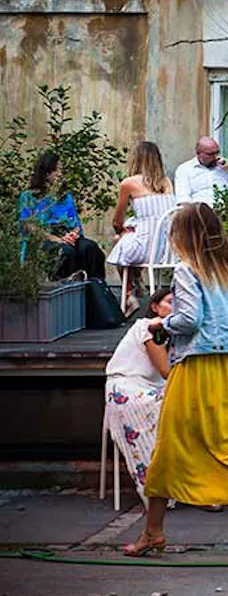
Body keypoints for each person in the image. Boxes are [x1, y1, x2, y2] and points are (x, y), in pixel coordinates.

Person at [125, 202, 228, 561]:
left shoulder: (187, 269)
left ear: (186, 236)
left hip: (196, 368)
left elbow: (189, 320)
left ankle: (153, 532)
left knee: (171, 447)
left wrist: (161, 324)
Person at [104, 287, 173, 505]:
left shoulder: (173, 335)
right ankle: (160, 487)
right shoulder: (147, 327)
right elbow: (166, 371)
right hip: (127, 386)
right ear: (155, 307)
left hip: (152, 387)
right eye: (170, 302)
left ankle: (182, 482)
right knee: (174, 407)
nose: (176, 308)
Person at [108, 141, 177, 315]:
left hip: (145, 249)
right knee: (129, 240)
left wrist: (123, 231)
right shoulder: (167, 182)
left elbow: (117, 222)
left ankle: (129, 294)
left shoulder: (129, 183)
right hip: (166, 250)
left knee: (119, 241)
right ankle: (137, 282)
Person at [18, 151, 106, 280]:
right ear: (46, 172)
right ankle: (68, 289)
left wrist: (73, 234)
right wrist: (55, 238)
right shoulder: (28, 197)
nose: (60, 174)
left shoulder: (65, 196)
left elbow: (75, 222)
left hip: (67, 235)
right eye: (56, 170)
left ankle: (96, 288)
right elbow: (28, 225)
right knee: (66, 253)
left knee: (90, 248)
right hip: (45, 238)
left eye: (60, 170)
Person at [174, 137, 228, 207]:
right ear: (199, 153)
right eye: (210, 154)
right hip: (199, 210)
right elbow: (183, 199)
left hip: (225, 208)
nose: (215, 157)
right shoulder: (185, 169)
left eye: (217, 153)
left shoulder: (226, 166)